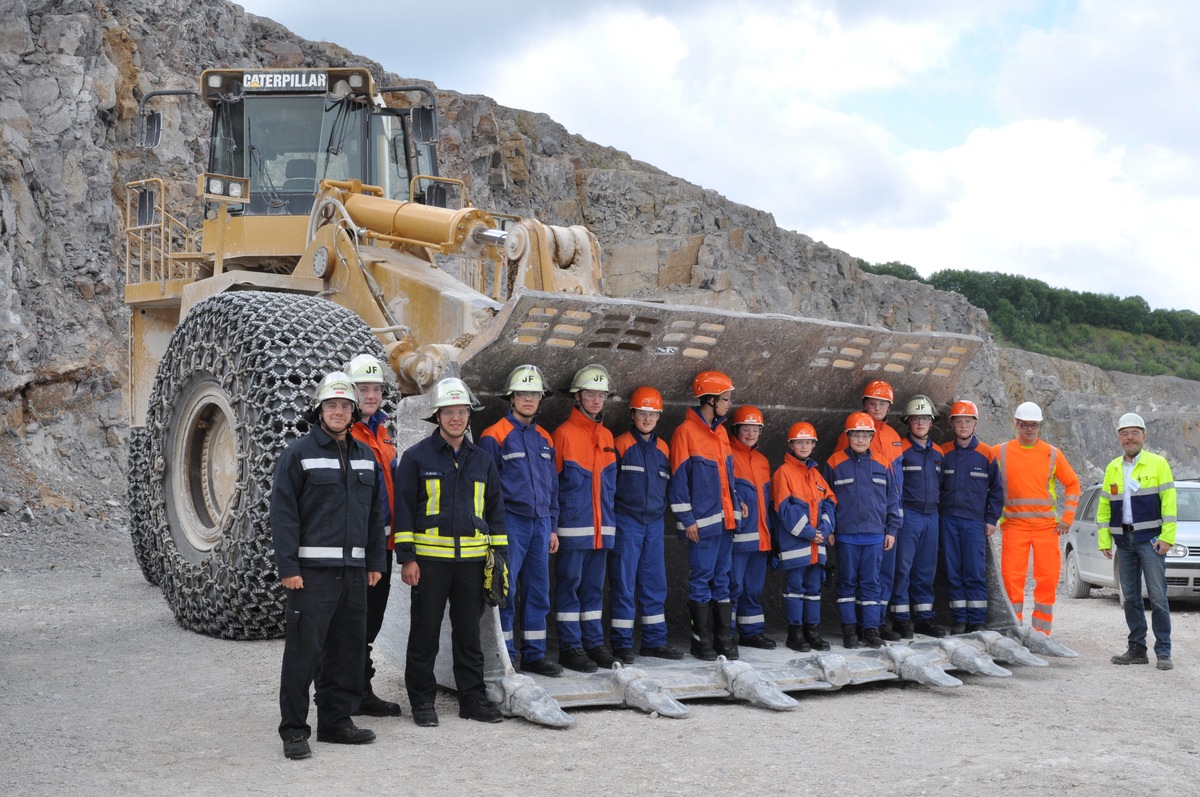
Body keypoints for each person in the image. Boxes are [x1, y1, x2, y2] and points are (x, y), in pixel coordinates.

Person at [270, 371, 386, 760]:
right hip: (311, 575)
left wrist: (374, 561)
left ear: (354, 412)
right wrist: (288, 567)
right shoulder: (298, 454)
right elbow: (283, 515)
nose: (339, 411)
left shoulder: (366, 456)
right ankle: (294, 731)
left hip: (354, 573)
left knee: (346, 650)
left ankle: (336, 723)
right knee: (304, 653)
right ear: (319, 410)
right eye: (332, 405)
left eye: (345, 406)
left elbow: (375, 515)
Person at [394, 377, 508, 727]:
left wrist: (498, 558)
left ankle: (471, 700)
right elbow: (403, 510)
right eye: (449, 412)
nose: (456, 418)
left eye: (461, 411)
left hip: (472, 565)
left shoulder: (483, 460)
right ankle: (422, 703)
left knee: (469, 636)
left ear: (468, 416)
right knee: (425, 635)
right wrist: (407, 558)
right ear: (437, 416)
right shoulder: (415, 458)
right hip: (429, 565)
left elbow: (495, 511)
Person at [478, 365, 563, 677]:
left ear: (541, 399)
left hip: (541, 524)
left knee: (539, 591)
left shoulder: (544, 437)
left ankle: (535, 655)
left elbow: (552, 486)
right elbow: (489, 489)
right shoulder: (494, 435)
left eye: (534, 394)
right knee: (507, 590)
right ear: (511, 398)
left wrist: (552, 526)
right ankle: (507, 656)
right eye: (522, 393)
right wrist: (495, 531)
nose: (528, 399)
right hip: (511, 523)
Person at [344, 354, 403, 717]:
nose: (370, 394)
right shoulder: (345, 433)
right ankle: (346, 693)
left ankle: (360, 688)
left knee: (370, 622)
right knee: (352, 621)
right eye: (363, 388)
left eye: (376, 388)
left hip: (383, 545)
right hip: (358, 548)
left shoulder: (381, 432)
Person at [669, 370, 740, 661]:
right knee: (701, 578)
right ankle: (701, 641)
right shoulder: (685, 432)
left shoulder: (721, 432)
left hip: (726, 521)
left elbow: (728, 476)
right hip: (702, 524)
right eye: (725, 399)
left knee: (722, 579)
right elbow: (678, 480)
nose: (728, 404)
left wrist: (737, 503)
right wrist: (687, 520)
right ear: (710, 400)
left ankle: (723, 639)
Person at [609, 386, 684, 662]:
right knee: (624, 583)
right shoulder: (620, 444)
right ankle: (622, 643)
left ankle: (654, 641)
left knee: (655, 584)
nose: (647, 419)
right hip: (626, 522)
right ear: (632, 414)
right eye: (642, 413)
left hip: (653, 524)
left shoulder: (664, 448)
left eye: (653, 414)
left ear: (659, 417)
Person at [551, 364, 618, 673]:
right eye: (590, 394)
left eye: (601, 395)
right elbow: (553, 485)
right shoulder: (563, 435)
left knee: (593, 589)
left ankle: (593, 642)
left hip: (602, 530)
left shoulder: (607, 436)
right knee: (569, 587)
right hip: (573, 528)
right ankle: (570, 646)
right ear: (577, 397)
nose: (596, 401)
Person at [1096, 412, 1176, 671]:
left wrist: (1167, 537)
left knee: (1158, 597)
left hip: (1151, 541)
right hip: (1124, 541)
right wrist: (1104, 538)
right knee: (1129, 597)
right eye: (1124, 433)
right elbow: (1105, 506)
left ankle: (1163, 651)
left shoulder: (1158, 464)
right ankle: (1137, 649)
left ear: (1144, 436)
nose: (1129, 438)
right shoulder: (1113, 468)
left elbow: (1169, 504)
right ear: (1119, 438)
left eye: (1134, 433)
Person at [996, 401, 1081, 635]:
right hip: (1014, 527)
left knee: (1047, 580)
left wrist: (1067, 517)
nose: (1029, 429)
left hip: (1046, 529)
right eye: (1025, 425)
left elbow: (1073, 483)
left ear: (1039, 426)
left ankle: (1041, 634)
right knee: (1012, 580)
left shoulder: (1052, 454)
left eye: (1034, 425)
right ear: (1016, 425)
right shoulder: (1000, 452)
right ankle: (1013, 631)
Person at [825, 412, 901, 649]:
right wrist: (829, 528)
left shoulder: (882, 463)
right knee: (847, 583)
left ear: (872, 436)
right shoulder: (834, 463)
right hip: (846, 535)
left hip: (875, 534)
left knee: (871, 583)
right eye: (855, 434)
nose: (860, 439)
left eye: (865, 435)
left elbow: (892, 500)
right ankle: (849, 630)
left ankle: (870, 630)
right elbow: (826, 500)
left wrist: (892, 531)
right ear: (847, 436)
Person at [938, 400, 1003, 635]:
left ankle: (977, 620)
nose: (963, 425)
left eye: (967, 421)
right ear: (952, 424)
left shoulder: (987, 454)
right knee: (953, 571)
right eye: (959, 421)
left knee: (974, 572)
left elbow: (997, 490)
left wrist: (991, 520)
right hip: (947, 520)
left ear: (975, 424)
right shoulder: (943, 452)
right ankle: (959, 620)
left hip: (974, 522)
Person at [771, 422, 836, 652]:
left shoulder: (816, 475)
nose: (804, 446)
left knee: (813, 589)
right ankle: (795, 634)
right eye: (800, 442)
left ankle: (813, 632)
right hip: (797, 544)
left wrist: (825, 530)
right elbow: (784, 510)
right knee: (795, 588)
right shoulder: (783, 473)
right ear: (791, 445)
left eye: (808, 442)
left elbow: (829, 502)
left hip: (816, 545)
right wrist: (811, 533)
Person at [889, 395, 943, 639]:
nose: (920, 423)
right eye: (915, 419)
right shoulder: (900, 450)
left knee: (926, 569)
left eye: (924, 419)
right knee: (902, 568)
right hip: (908, 516)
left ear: (931, 423)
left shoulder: (939, 453)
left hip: (932, 516)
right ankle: (900, 618)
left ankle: (923, 617)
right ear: (908, 423)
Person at [728, 405, 776, 649]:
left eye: (755, 429)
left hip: (761, 538)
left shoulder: (762, 461)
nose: (750, 434)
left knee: (753, 589)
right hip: (738, 537)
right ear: (736, 430)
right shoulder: (728, 455)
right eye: (745, 429)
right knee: (733, 587)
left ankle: (752, 633)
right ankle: (727, 635)